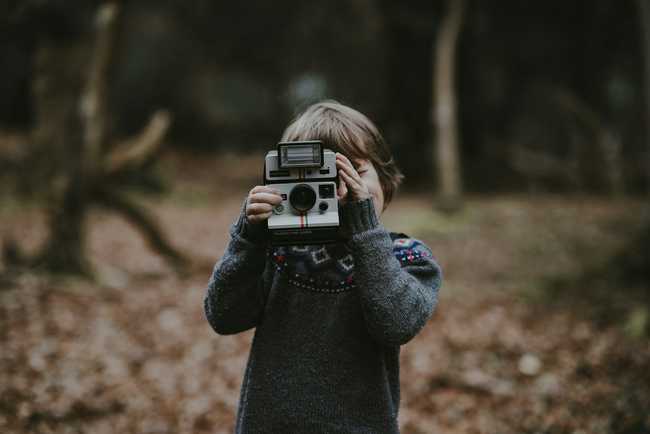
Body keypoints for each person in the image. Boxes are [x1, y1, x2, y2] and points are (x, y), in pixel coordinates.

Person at [204, 100, 442, 433]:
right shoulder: (277, 251)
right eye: (319, 178)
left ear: (385, 179)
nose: (340, 191)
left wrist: (365, 228)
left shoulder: (407, 256)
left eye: (352, 172)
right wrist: (249, 238)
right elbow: (224, 316)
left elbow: (397, 323)